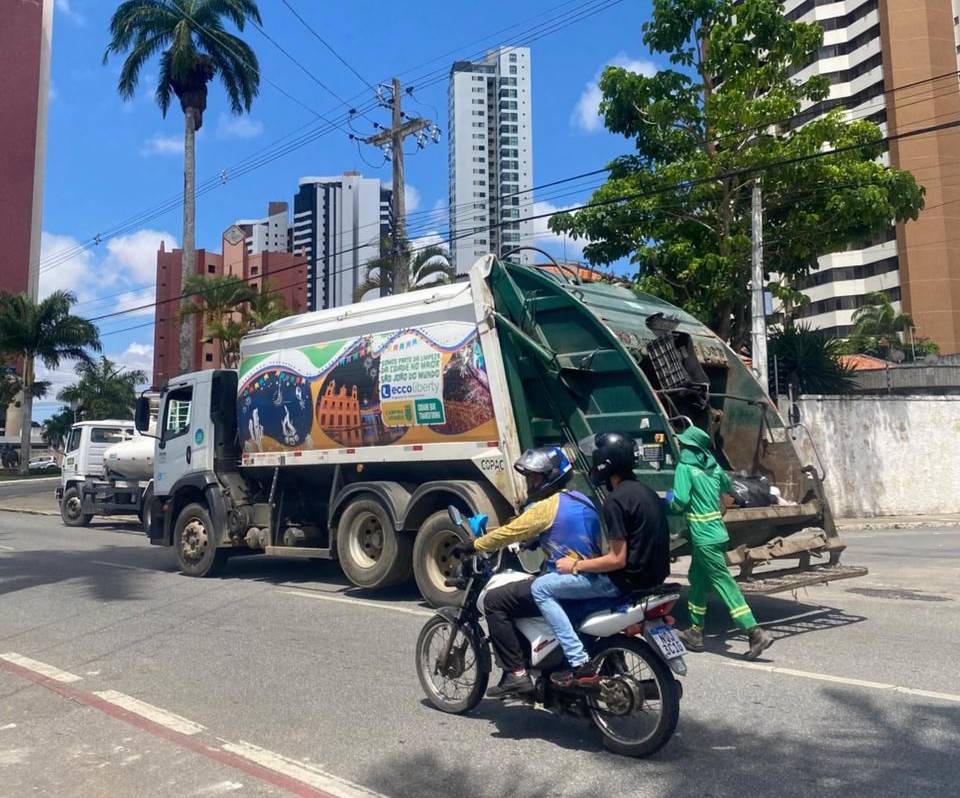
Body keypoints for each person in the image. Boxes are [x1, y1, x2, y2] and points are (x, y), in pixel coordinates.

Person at [451, 445, 603, 698]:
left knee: (495, 600)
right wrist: (534, 540)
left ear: (551, 477)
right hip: (591, 577)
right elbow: (569, 531)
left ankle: (516, 674)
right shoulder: (582, 499)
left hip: (566, 581)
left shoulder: (545, 507)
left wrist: (473, 545)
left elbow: (510, 531)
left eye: (535, 478)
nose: (530, 483)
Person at [535, 432, 672, 688]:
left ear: (605, 462)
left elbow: (617, 559)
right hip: (653, 578)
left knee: (540, 588)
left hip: (623, 581)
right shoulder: (646, 492)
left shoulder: (615, 500)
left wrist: (574, 565)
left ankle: (578, 662)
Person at [670, 426, 772, 660]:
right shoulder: (714, 467)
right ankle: (695, 632)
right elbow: (728, 487)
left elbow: (681, 500)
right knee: (696, 579)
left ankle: (754, 631)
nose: (680, 445)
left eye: (683, 443)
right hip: (718, 532)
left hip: (703, 536)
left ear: (688, 446)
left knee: (724, 583)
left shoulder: (685, 467)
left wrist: (668, 505)